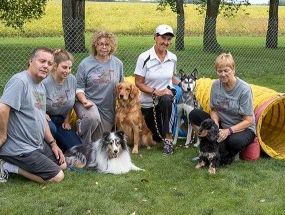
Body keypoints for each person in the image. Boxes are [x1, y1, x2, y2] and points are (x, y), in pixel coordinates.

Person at [0, 47, 66, 184]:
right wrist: (2, 136)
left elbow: (41, 118)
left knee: (62, 165)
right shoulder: (20, 81)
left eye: (49, 64)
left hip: (36, 145)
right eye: (42, 61)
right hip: (19, 148)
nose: (45, 66)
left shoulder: (40, 86)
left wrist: (53, 144)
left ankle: (23, 161)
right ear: (31, 61)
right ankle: (6, 165)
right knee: (57, 177)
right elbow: (1, 110)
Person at [189, 53, 256, 158]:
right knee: (194, 114)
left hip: (242, 128)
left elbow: (248, 121)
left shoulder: (244, 89)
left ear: (233, 69)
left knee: (233, 141)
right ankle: (207, 148)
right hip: (222, 124)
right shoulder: (215, 85)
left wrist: (228, 131)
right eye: (219, 71)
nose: (223, 74)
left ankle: (229, 153)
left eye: (226, 70)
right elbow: (214, 109)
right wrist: (215, 126)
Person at [134, 24, 181, 155]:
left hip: (165, 100)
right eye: (163, 38)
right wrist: (156, 91)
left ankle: (169, 141)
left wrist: (183, 84)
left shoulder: (173, 58)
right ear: (155, 37)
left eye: (169, 39)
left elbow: (171, 76)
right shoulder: (144, 57)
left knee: (167, 98)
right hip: (148, 104)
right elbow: (138, 83)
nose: (166, 42)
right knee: (154, 137)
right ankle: (162, 133)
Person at [74, 30, 124, 145]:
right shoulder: (85, 64)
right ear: (95, 45)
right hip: (88, 104)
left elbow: (121, 87)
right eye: (100, 44)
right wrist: (84, 100)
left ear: (112, 46)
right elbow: (79, 88)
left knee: (100, 142)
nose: (104, 47)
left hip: (107, 110)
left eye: (107, 44)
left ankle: (83, 126)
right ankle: (85, 147)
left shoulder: (118, 64)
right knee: (92, 118)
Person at [42, 49, 82, 152]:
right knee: (51, 130)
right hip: (46, 120)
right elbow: (33, 101)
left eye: (70, 68)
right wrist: (40, 113)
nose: (67, 71)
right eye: (64, 67)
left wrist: (67, 120)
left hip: (61, 120)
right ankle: (48, 148)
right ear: (55, 66)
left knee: (77, 149)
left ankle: (59, 144)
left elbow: (70, 102)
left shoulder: (72, 79)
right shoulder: (44, 82)